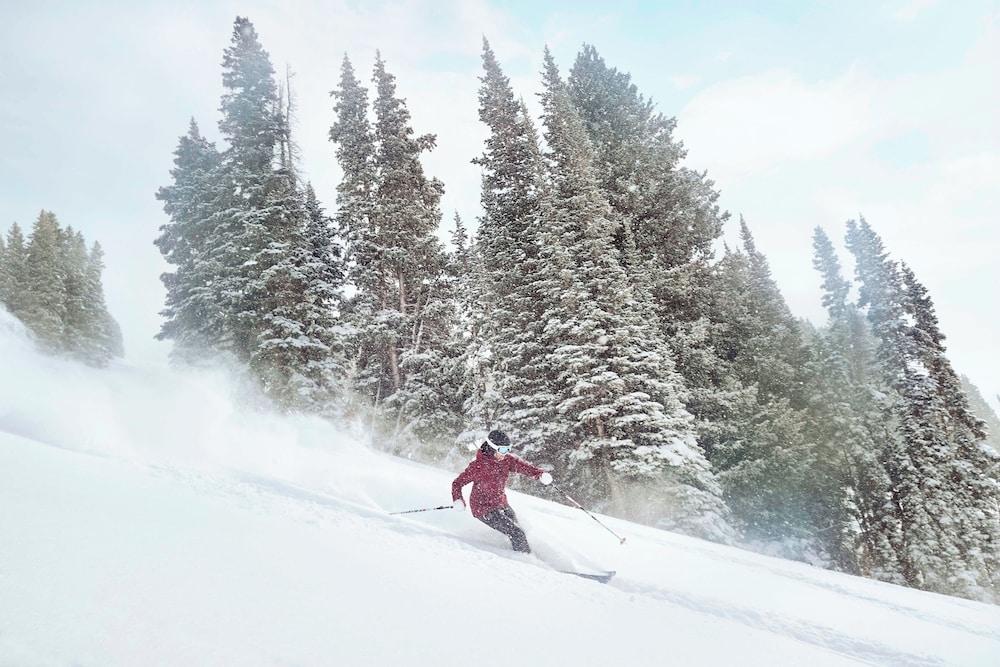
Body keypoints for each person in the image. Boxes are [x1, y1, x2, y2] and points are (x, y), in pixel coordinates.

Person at [452, 429, 552, 553]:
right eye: (503, 450)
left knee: (519, 529)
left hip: (501, 503)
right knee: (517, 533)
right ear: (492, 448)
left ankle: (522, 552)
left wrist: (540, 474)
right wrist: (458, 499)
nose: (505, 453)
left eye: (508, 449)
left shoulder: (506, 461)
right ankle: (526, 561)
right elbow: (457, 483)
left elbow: (523, 467)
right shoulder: (479, 466)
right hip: (483, 508)